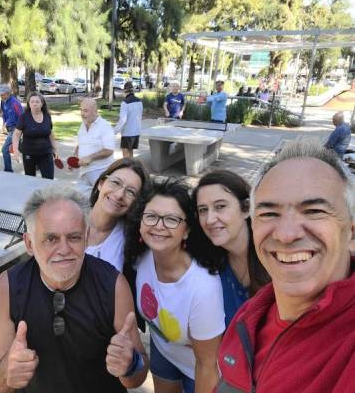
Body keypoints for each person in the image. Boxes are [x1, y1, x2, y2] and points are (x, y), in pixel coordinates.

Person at [215, 140, 355, 393]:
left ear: (352, 234)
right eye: (269, 214)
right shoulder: (249, 316)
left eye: (313, 210)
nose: (286, 234)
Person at [0, 185, 149, 393]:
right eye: (50, 239)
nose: (64, 250)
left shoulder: (114, 285)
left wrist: (130, 364)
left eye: (74, 237)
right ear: (29, 243)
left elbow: (136, 378)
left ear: (86, 238)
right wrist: (7, 372)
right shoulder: (6, 287)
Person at [125, 179, 225, 393]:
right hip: (163, 350)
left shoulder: (203, 288)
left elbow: (207, 364)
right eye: (151, 216)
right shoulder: (141, 256)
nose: (159, 226)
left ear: (186, 230)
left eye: (171, 219)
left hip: (196, 369)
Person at [190, 170, 270, 327]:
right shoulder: (210, 261)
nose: (210, 219)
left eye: (220, 206)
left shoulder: (274, 260)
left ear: (246, 208)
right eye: (203, 210)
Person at [86, 158, 150, 272]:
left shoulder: (131, 241)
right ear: (101, 183)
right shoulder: (68, 218)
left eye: (131, 192)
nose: (120, 195)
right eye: (116, 183)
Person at [12, 92, 58, 179]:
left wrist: (55, 149)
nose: (34, 104)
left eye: (37, 102)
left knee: (48, 179)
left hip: (46, 153)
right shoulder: (24, 117)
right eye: (32, 101)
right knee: (30, 180)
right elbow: (16, 135)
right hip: (29, 154)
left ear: (42, 103)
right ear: (29, 103)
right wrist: (15, 150)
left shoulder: (47, 116)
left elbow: (50, 133)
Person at [74, 98, 115, 195]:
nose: (82, 113)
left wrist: (90, 157)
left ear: (95, 111)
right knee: (78, 199)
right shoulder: (83, 124)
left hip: (99, 172)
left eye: (86, 111)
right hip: (83, 172)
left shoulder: (105, 126)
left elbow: (109, 150)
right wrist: (75, 156)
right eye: (81, 110)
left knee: (100, 199)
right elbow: (81, 143)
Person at [0, 84, 24, 173]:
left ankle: (8, 170)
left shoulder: (15, 103)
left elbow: (21, 116)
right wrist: (3, 124)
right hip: (9, 128)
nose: (1, 96)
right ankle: (36, 162)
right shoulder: (2, 101)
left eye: (3, 94)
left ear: (8, 93)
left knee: (4, 149)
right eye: (0, 94)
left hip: (16, 129)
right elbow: (4, 114)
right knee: (23, 148)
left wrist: (21, 130)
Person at [114, 81, 143, 158]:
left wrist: (115, 131)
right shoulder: (140, 101)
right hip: (136, 131)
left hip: (128, 133)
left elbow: (122, 120)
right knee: (131, 152)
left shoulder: (125, 103)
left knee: (126, 155)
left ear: (124, 90)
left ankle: (127, 169)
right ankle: (132, 168)